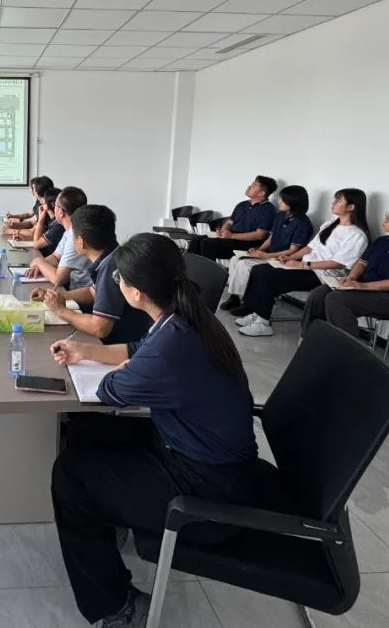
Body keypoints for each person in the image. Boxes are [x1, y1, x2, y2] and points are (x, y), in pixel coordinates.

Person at [50, 233, 261, 627]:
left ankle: (116, 606)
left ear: (135, 292)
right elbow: (137, 353)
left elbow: (110, 390)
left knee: (70, 475)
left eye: (119, 280)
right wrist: (86, 351)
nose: (116, 285)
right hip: (196, 452)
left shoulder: (172, 344)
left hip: (206, 492)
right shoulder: (185, 319)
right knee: (87, 430)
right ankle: (107, 521)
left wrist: (124, 370)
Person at [235, 188, 370, 338]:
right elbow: (309, 248)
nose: (333, 203)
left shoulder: (357, 235)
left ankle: (263, 323)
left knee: (267, 275)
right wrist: (290, 257)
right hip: (305, 266)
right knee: (259, 269)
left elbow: (338, 264)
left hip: (322, 275)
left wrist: (303, 265)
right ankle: (257, 313)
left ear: (351, 207)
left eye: (338, 201)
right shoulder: (330, 224)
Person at [301, 203, 389, 340]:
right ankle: (309, 337)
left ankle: (347, 348)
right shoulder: (382, 241)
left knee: (337, 299)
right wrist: (352, 277)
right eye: (386, 216)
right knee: (320, 293)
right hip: (364, 289)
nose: (384, 221)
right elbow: (362, 262)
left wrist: (364, 286)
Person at [32, 204, 152, 345]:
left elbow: (99, 328)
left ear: (81, 242)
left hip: (121, 343)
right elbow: (93, 292)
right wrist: (58, 296)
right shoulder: (112, 256)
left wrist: (59, 310)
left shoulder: (110, 268)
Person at [220, 185, 314, 312]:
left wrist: (266, 256)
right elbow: (271, 238)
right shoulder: (281, 216)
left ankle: (249, 304)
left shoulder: (303, 223)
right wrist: (259, 250)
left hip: (282, 259)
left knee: (244, 265)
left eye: (283, 200)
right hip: (269, 255)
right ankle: (235, 297)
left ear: (293, 203)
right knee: (234, 260)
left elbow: (292, 251)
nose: (279, 202)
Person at [193, 176, 278, 261]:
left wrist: (232, 236)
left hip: (247, 243)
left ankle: (207, 269)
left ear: (261, 193)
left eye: (254, 185)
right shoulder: (242, 204)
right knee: (197, 240)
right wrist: (224, 230)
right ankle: (189, 268)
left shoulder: (268, 209)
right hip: (230, 238)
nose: (249, 186)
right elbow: (229, 222)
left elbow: (259, 235)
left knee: (208, 243)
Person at [25, 186, 92, 289]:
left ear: (61, 212)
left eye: (54, 205)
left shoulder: (75, 236)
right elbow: (55, 257)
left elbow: (58, 279)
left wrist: (38, 262)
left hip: (82, 293)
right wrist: (38, 266)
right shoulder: (70, 230)